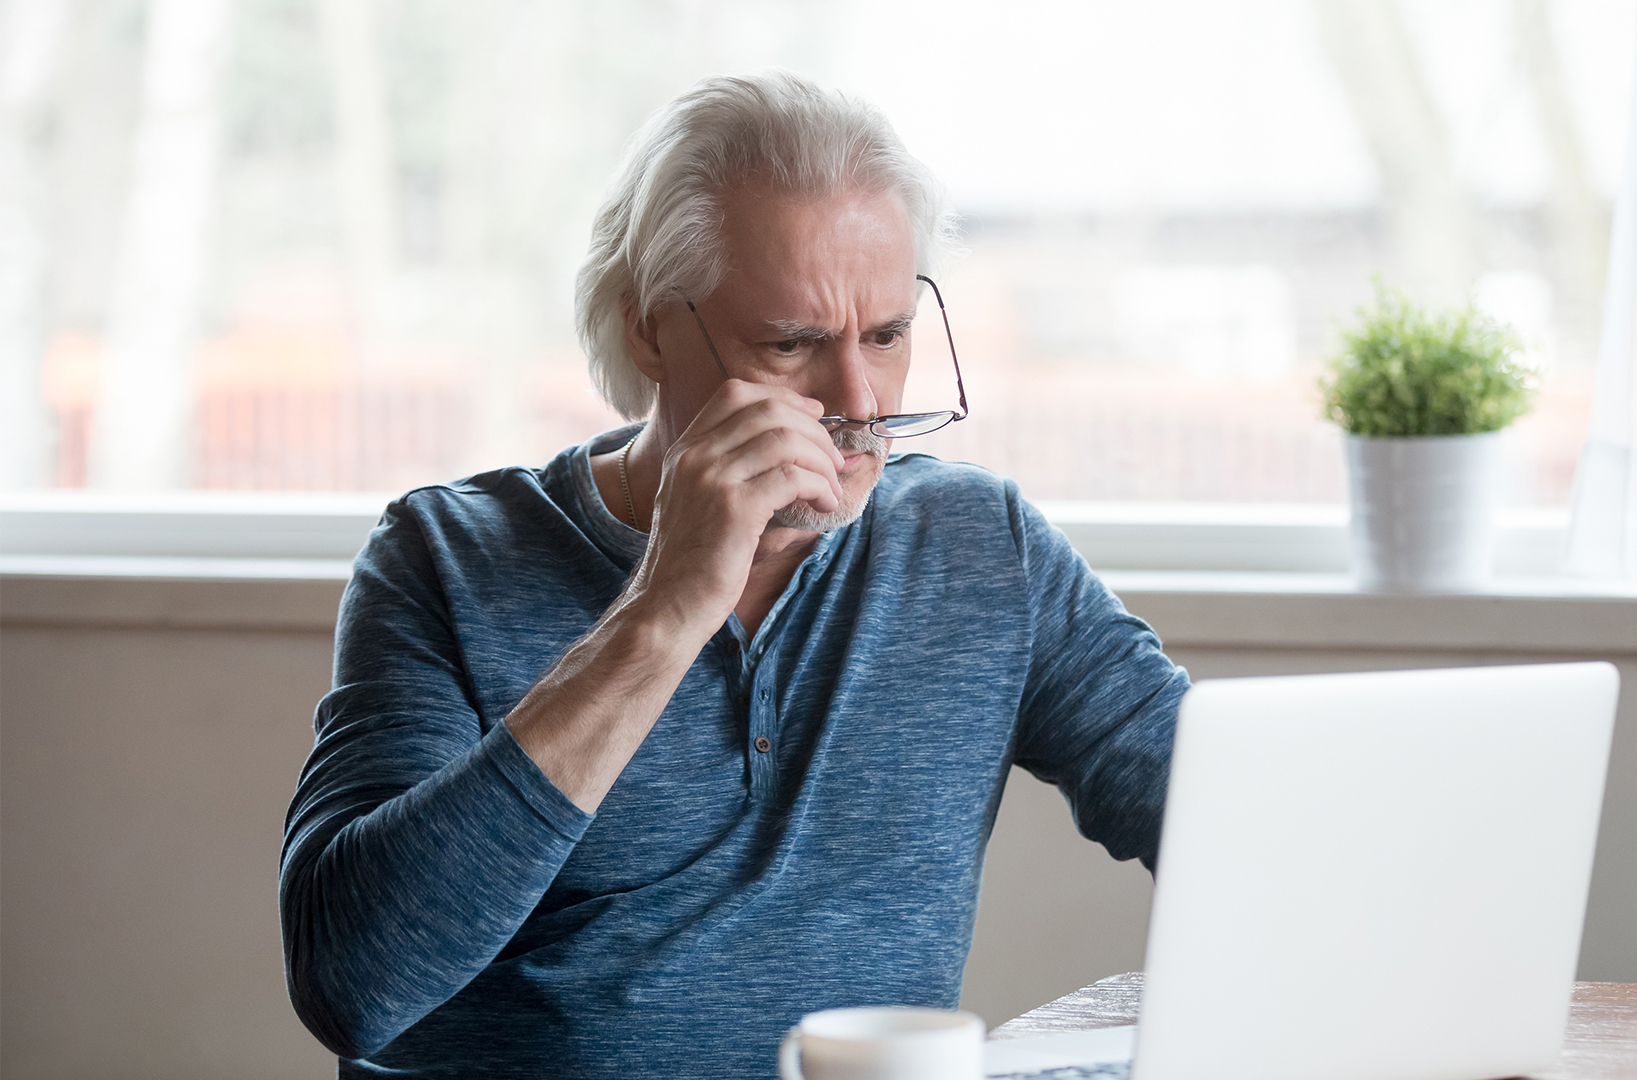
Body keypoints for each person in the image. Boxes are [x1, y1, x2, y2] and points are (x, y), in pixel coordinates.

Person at [279, 71, 1188, 1080]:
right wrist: (666, 608)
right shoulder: (442, 557)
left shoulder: (981, 550)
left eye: (886, 337)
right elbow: (353, 986)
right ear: (649, 326)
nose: (857, 400)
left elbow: (1234, 823)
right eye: (790, 344)